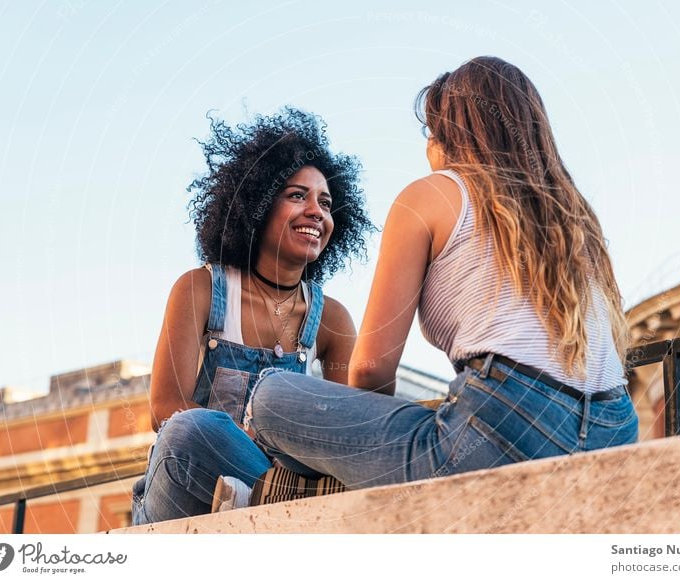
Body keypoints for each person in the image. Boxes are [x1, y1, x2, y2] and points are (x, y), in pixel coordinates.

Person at [247, 56, 638, 490]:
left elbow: (370, 371)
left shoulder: (432, 193)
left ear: (447, 136)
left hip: (503, 429)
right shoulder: (575, 217)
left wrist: (365, 447)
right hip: (616, 429)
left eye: (430, 132)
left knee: (272, 398)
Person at [131, 108, 373, 524]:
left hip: (278, 487)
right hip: (187, 482)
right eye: (297, 195)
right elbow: (164, 407)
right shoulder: (201, 289)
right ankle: (269, 497)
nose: (317, 211)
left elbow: (344, 432)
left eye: (326, 203)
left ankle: (260, 499)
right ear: (256, 207)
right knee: (190, 428)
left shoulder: (332, 319)